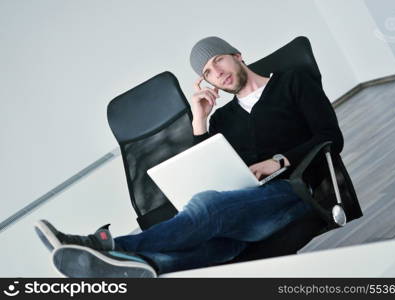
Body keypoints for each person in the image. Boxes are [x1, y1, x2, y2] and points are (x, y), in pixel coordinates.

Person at [35, 36, 345, 278]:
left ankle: (103, 247)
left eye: (218, 60)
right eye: (207, 72)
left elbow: (330, 136)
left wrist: (278, 161)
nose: (217, 73)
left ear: (237, 56)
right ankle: (111, 268)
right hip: (244, 210)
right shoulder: (224, 118)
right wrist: (200, 119)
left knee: (208, 206)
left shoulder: (291, 81)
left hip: (295, 192)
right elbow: (210, 167)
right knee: (200, 252)